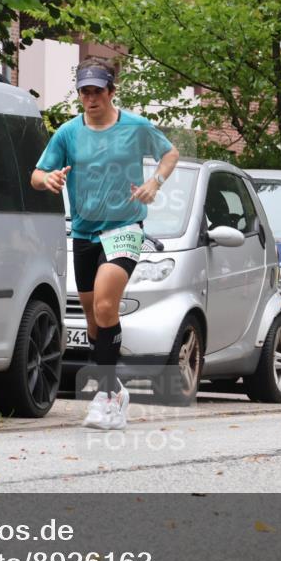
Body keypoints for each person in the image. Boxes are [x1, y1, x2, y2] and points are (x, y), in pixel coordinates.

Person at [31, 57, 180, 430]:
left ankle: (104, 396)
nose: (91, 98)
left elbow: (170, 153)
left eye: (98, 91)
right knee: (96, 320)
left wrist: (154, 184)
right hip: (84, 232)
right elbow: (35, 174)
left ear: (112, 92)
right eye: (85, 92)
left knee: (104, 303)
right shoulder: (68, 133)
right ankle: (116, 391)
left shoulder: (135, 127)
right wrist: (46, 180)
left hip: (124, 228)